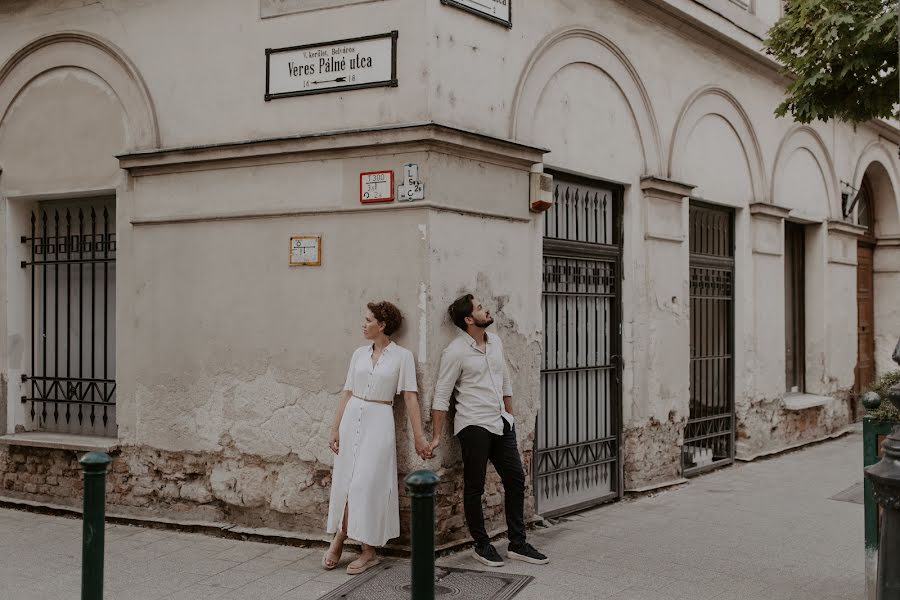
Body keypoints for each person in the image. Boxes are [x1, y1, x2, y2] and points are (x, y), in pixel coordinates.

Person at [429, 294, 549, 567]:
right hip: (473, 424)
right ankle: (481, 545)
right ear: (469, 320)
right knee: (475, 486)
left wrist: (510, 415)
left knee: (516, 478)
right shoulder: (456, 351)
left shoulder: (495, 342)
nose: (487, 310)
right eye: (480, 308)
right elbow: (441, 394)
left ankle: (518, 543)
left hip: (500, 421)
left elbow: (505, 379)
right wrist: (436, 436)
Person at [323, 301, 430, 574]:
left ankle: (365, 549)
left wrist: (419, 437)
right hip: (352, 419)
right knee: (346, 482)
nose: (363, 324)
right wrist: (335, 428)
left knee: (365, 485)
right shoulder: (358, 354)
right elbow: (347, 392)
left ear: (382, 325)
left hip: (379, 421)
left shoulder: (402, 357)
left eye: (368, 319)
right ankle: (343, 538)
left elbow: (409, 397)